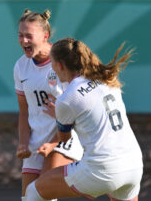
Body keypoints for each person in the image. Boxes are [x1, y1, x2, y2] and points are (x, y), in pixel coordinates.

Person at [24, 38, 143, 201]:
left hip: (101, 169)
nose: (51, 68)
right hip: (133, 164)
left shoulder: (67, 98)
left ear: (60, 65)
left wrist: (59, 117)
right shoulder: (107, 79)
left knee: (33, 192)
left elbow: (65, 139)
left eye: (52, 63)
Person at [13, 10, 83, 201]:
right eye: (20, 35)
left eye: (29, 36)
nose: (24, 40)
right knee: (29, 198)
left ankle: (89, 187)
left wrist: (54, 141)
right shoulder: (20, 67)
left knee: (42, 195)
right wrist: (23, 143)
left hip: (64, 138)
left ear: (45, 36)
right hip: (37, 143)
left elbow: (77, 107)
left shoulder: (62, 63)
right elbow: (24, 110)